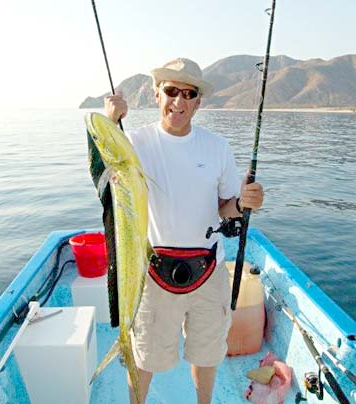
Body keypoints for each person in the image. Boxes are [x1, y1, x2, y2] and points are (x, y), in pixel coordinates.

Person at [104, 57, 264, 404]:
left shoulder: (217, 147)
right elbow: (103, 176)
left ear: (198, 101)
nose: (179, 101)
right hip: (152, 271)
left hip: (209, 272)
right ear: (156, 94)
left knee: (206, 357)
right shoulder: (131, 144)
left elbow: (225, 206)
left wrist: (243, 202)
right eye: (171, 91)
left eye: (188, 94)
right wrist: (110, 122)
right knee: (144, 357)